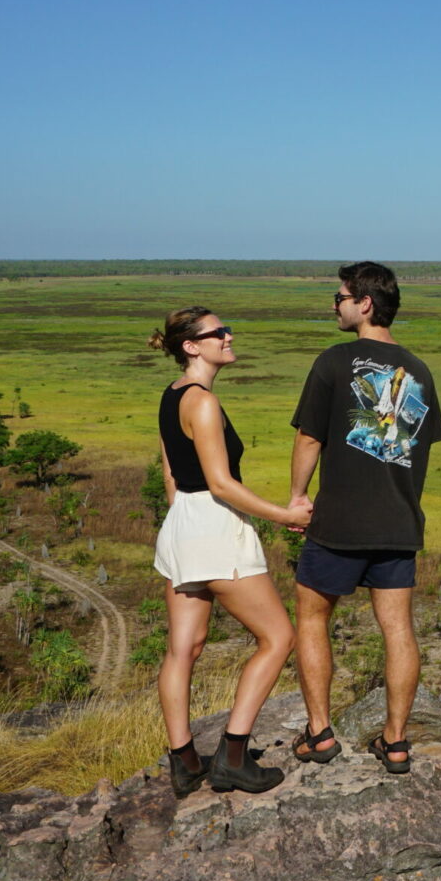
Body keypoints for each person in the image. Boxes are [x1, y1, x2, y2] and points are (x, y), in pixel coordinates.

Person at [286, 262, 441, 774]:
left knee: (312, 618)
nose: (333, 305)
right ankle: (396, 743)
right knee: (398, 630)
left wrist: (296, 496)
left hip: (339, 521)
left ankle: (320, 733)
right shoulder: (419, 369)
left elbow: (310, 437)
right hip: (399, 521)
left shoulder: (334, 362)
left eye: (339, 297)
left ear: (365, 304)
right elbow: (414, 447)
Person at [147, 306, 309, 797]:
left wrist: (184, 521)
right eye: (218, 333)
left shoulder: (170, 396)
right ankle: (233, 757)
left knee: (184, 648)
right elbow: (220, 483)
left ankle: (184, 762)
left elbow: (173, 478)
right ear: (192, 346)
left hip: (181, 527)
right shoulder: (203, 402)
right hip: (215, 528)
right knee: (279, 638)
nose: (229, 336)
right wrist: (286, 516)